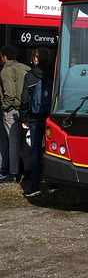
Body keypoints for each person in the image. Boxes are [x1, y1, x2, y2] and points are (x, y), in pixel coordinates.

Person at [20, 47, 54, 196]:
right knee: (50, 150)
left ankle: (35, 186)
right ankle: (53, 183)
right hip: (51, 117)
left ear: (35, 59)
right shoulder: (54, 73)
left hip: (34, 117)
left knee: (35, 151)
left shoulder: (30, 76)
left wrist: (24, 118)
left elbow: (25, 99)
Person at [0, 44, 31, 183]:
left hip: (13, 110)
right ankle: (28, 170)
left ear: (5, 57)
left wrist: (4, 109)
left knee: (13, 142)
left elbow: (10, 94)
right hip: (25, 110)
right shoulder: (25, 68)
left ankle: (13, 173)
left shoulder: (6, 71)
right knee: (25, 142)